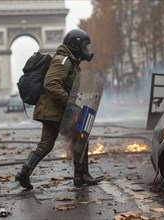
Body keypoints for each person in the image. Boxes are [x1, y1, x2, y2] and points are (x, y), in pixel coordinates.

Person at [15, 29, 103, 189]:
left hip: (49, 111)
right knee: (81, 137)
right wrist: (69, 103)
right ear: (75, 44)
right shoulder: (63, 60)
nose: (86, 50)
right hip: (55, 111)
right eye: (84, 46)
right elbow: (51, 83)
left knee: (46, 144)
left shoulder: (68, 60)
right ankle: (81, 175)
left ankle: (24, 173)